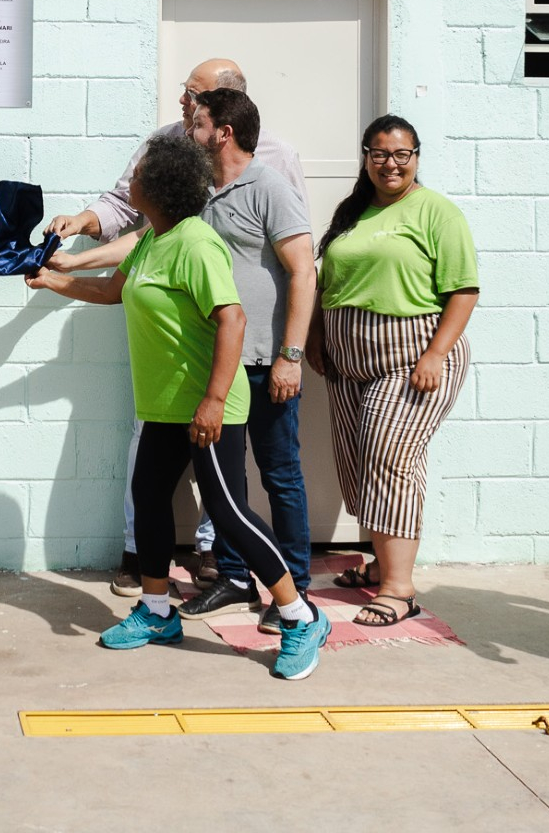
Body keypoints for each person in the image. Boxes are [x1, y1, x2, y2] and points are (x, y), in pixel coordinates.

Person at [29, 134, 330, 681]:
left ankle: (299, 613)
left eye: (138, 175)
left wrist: (214, 401)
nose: (130, 181)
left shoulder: (195, 243)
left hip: (205, 403)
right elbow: (113, 292)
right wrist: (53, 280)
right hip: (164, 403)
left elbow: (232, 319)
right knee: (148, 500)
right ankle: (158, 610)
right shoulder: (154, 240)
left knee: (232, 516)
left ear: (161, 186)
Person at [46, 58, 307, 594]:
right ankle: (178, 599)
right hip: (179, 384)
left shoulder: (231, 210)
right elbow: (117, 275)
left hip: (233, 372)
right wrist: (57, 274)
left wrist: (284, 357)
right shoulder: (167, 227)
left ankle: (296, 604)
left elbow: (259, 297)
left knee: (248, 496)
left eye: (195, 100)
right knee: (168, 497)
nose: (184, 109)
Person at [308, 115, 477, 628]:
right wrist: (317, 336)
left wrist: (434, 355)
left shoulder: (436, 212)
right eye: (380, 153)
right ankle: (382, 561)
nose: (391, 163)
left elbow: (463, 290)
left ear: (417, 157)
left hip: (411, 356)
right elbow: (326, 282)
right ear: (366, 156)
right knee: (358, 464)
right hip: (347, 360)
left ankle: (399, 589)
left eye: (402, 153)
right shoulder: (353, 212)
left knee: (390, 458)